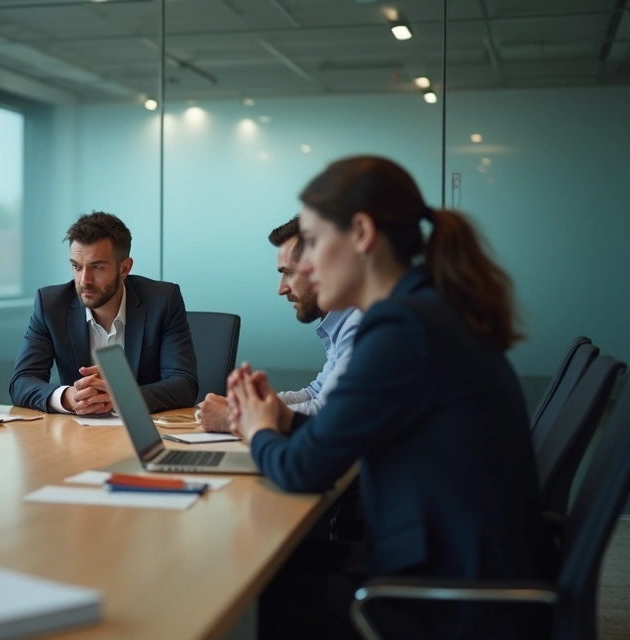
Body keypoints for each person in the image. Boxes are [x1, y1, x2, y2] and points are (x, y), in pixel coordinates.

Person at [226, 156, 552, 638]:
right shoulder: (423, 310)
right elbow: (344, 432)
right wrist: (280, 418)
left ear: (361, 233)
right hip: (458, 569)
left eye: (313, 243)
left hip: (447, 603)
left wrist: (257, 432)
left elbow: (303, 470)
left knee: (241, 604)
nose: (307, 267)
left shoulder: (402, 328)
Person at [9, 212, 198, 414]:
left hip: (145, 433)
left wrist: (122, 396)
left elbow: (184, 384)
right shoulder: (51, 305)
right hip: (78, 434)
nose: (84, 280)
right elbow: (21, 382)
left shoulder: (162, 301)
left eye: (97, 267)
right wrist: (68, 397)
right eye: (76, 267)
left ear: (124, 268)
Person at [201, 216, 360, 432]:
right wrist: (245, 407)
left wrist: (233, 416)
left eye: (289, 273)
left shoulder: (358, 324)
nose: (281, 288)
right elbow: (314, 393)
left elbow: (327, 413)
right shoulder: (343, 323)